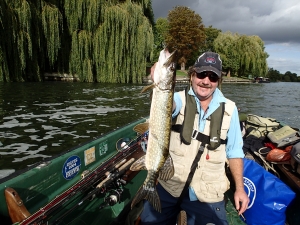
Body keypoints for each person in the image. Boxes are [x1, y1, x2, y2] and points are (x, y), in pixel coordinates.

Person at [140, 51, 249, 225]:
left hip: (207, 194)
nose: (206, 81)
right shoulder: (177, 98)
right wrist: (159, 78)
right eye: (201, 74)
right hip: (170, 185)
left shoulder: (230, 109)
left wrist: (240, 189)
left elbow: (234, 151)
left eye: (213, 77)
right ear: (192, 76)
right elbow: (167, 105)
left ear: (218, 81)